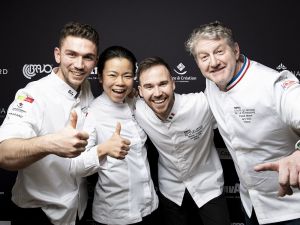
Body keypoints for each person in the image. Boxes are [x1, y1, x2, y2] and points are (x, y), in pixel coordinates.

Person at [0, 22, 125, 225]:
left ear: (95, 61)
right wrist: (50, 144)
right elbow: (3, 153)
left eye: (88, 57)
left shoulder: (85, 87)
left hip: (77, 211)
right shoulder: (33, 94)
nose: (79, 65)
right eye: (72, 54)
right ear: (58, 55)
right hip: (38, 213)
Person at [185, 20, 300, 225]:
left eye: (219, 51)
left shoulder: (273, 84)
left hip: (292, 208)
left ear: (236, 50)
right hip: (251, 206)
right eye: (204, 57)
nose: (213, 62)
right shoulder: (213, 81)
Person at [135, 56, 230, 225]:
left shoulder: (201, 104)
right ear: (140, 91)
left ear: (173, 83)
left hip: (208, 186)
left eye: (163, 84)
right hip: (171, 190)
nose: (157, 93)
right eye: (149, 86)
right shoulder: (138, 110)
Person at [70, 46, 159, 225]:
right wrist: (103, 149)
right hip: (115, 215)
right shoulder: (93, 112)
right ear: (101, 78)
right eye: (112, 75)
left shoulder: (137, 102)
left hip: (150, 207)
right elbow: (76, 167)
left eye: (127, 76)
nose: (120, 82)